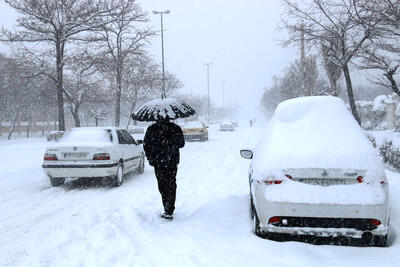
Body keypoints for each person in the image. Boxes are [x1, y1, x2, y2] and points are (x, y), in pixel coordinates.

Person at [143, 118, 185, 220]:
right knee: (171, 184)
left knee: (162, 184)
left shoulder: (152, 129)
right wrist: (171, 141)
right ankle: (169, 209)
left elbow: (146, 145)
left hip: (159, 162)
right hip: (171, 162)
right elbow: (181, 144)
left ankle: (167, 207)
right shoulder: (175, 128)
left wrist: (151, 158)